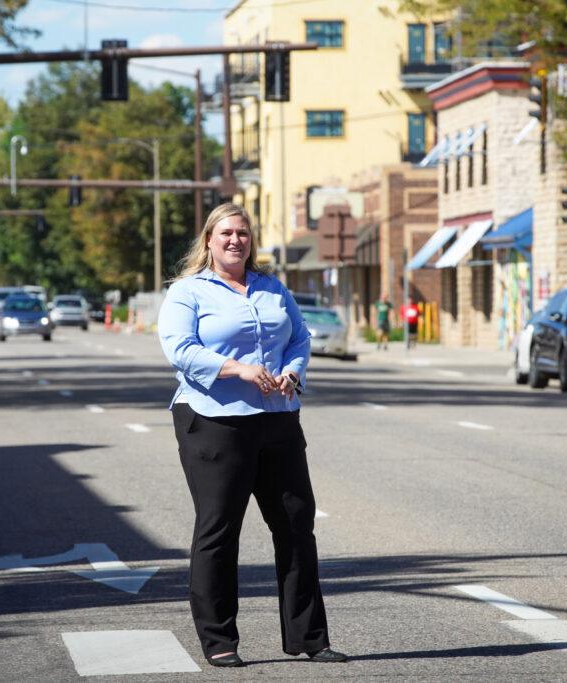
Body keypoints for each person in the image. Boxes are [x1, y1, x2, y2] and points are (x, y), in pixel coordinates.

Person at [157, 203, 346, 669]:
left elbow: (299, 338)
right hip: (213, 419)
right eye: (226, 234)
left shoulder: (273, 288)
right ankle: (219, 639)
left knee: (297, 525)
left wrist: (292, 373)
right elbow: (180, 349)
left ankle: (309, 638)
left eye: (242, 233)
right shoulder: (188, 292)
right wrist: (236, 368)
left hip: (278, 418)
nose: (235, 241)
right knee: (220, 528)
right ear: (209, 241)